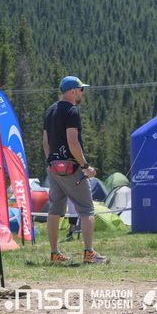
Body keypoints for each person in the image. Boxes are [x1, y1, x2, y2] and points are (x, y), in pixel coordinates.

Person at [43, 76, 107, 264]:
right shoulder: (72, 111)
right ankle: (89, 253)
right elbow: (73, 142)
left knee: (54, 209)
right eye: (81, 90)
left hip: (54, 167)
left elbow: (45, 141)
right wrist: (86, 167)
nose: (82, 93)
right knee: (87, 209)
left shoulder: (50, 110)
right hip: (72, 168)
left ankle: (55, 254)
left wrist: (50, 161)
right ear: (72, 91)